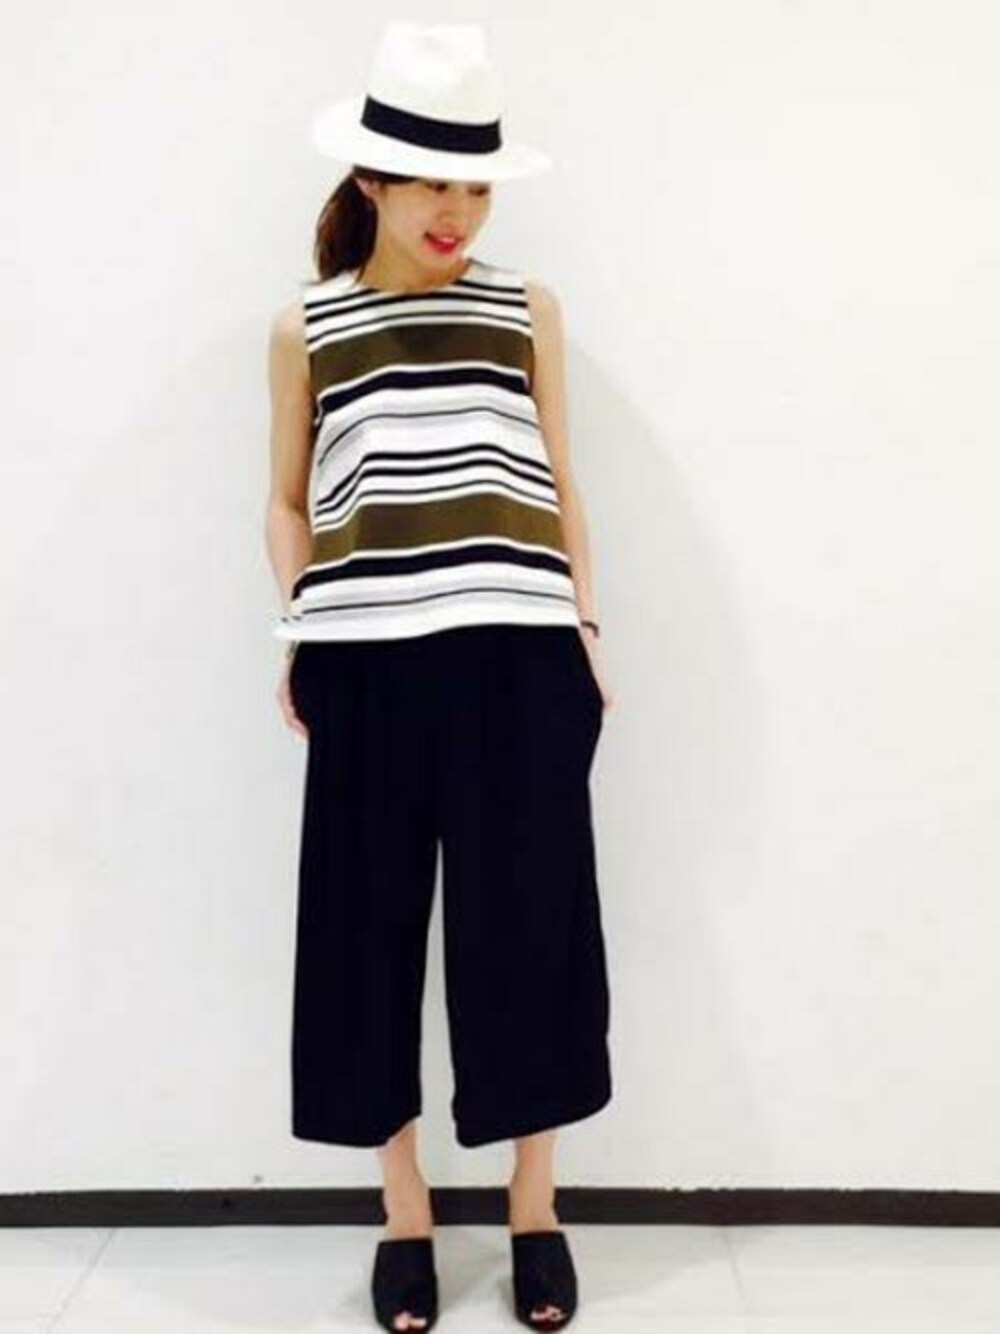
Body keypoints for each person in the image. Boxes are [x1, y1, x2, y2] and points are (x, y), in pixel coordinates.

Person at [264, 22, 615, 1333]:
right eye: (429, 182)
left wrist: (585, 625)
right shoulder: (308, 326)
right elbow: (284, 502)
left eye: (476, 183)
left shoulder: (527, 310)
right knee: (362, 936)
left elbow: (562, 479)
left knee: (530, 931)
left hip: (523, 655)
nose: (456, 210)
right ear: (370, 180)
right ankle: (404, 1211)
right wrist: (299, 626)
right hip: (366, 663)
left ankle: (534, 1205)